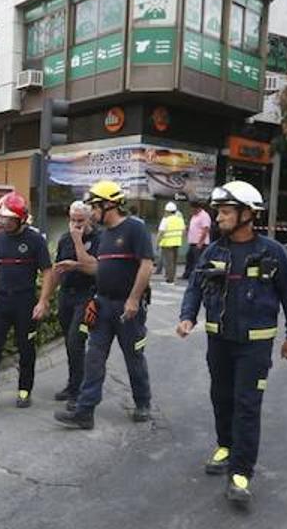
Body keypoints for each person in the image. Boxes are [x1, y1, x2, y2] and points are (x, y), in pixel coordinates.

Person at [176, 181, 287, 505]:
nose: (219, 217)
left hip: (254, 345)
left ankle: (241, 472)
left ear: (247, 214)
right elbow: (195, 286)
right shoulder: (213, 251)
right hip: (219, 340)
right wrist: (187, 315)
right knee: (221, 396)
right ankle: (226, 446)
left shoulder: (272, 252)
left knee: (247, 405)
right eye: (219, 211)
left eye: (226, 211)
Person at [54, 179, 153, 430]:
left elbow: (146, 265)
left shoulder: (134, 228)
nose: (92, 212)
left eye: (95, 206)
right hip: (103, 305)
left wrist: (133, 300)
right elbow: (98, 267)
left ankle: (143, 402)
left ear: (109, 204)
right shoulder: (106, 235)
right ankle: (85, 412)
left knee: (133, 356)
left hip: (127, 308)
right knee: (94, 358)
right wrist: (75, 264)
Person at [0, 192, 53, 411]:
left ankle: (25, 389)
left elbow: (47, 272)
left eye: (8, 218)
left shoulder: (35, 240)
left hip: (25, 302)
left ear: (20, 218)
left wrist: (43, 301)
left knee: (26, 347)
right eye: (2, 218)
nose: (4, 222)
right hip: (1, 303)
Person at [53, 201, 98, 402]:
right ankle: (73, 385)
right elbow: (56, 270)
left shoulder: (99, 238)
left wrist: (78, 243)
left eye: (81, 220)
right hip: (67, 295)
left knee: (76, 341)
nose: (76, 225)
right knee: (69, 344)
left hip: (86, 296)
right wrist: (45, 298)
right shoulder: (64, 239)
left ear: (89, 219)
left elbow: (94, 268)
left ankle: (79, 390)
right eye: (73, 220)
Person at [156, 202, 187, 284]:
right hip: (176, 243)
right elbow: (184, 231)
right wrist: (181, 240)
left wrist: (157, 243)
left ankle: (170, 280)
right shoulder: (180, 219)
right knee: (173, 262)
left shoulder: (166, 220)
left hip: (167, 244)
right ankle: (173, 279)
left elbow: (161, 233)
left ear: (167, 211)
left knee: (169, 263)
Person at [184, 199, 212, 279]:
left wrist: (200, 242)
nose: (191, 210)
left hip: (200, 243)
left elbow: (205, 229)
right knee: (189, 258)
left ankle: (196, 275)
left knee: (197, 260)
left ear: (197, 208)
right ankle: (187, 274)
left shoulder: (204, 216)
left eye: (192, 209)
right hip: (192, 242)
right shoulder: (194, 215)